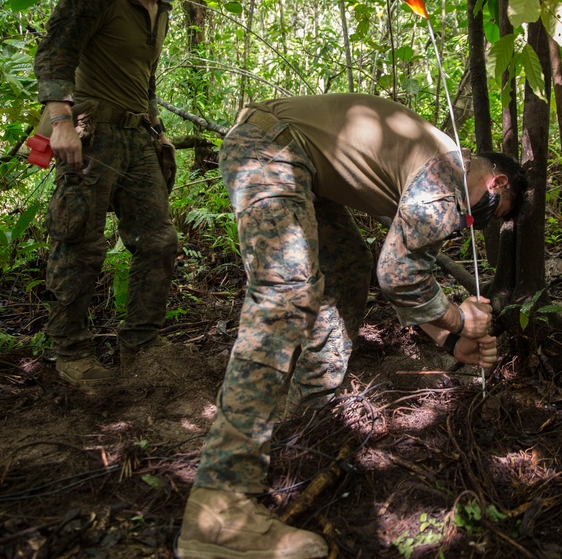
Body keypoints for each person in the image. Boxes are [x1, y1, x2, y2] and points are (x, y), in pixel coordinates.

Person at [176, 94, 526, 559]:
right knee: (287, 291)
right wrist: (460, 317)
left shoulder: (439, 161)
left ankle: (301, 413)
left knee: (344, 268)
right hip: (272, 148)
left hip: (290, 156)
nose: (476, 223)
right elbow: (400, 275)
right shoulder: (451, 178)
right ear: (496, 180)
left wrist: (448, 337)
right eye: (491, 211)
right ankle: (219, 510)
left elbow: (397, 272)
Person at [34, 0, 210, 384]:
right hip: (92, 134)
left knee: (159, 241)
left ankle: (142, 345)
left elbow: (144, 78)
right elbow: (55, 54)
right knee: (80, 243)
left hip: (137, 138)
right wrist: (61, 123)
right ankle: (71, 354)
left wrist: (157, 125)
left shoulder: (163, 11)